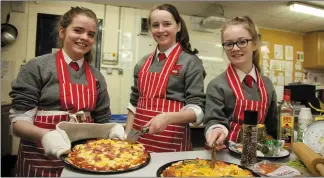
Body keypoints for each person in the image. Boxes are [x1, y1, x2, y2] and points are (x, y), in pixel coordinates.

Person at [9, 7, 124, 177]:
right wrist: (45, 135)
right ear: (62, 32)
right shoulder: (37, 67)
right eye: (78, 30)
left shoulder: (97, 76)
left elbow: (103, 120)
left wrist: (113, 129)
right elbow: (18, 123)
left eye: (91, 34)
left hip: (85, 158)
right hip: (40, 158)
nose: (84, 37)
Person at [125, 4, 206, 152]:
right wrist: (127, 137)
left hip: (171, 144)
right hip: (138, 143)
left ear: (178, 26)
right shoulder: (142, 63)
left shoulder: (191, 62)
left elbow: (198, 109)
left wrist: (168, 118)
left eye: (167, 24)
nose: (161, 30)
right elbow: (133, 104)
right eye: (155, 25)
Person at [204, 16, 278, 149]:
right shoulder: (217, 85)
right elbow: (214, 120)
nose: (235, 48)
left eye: (242, 42)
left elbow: (272, 126)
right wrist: (216, 130)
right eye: (229, 44)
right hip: (225, 157)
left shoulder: (267, 85)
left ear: (255, 44)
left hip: (260, 157)